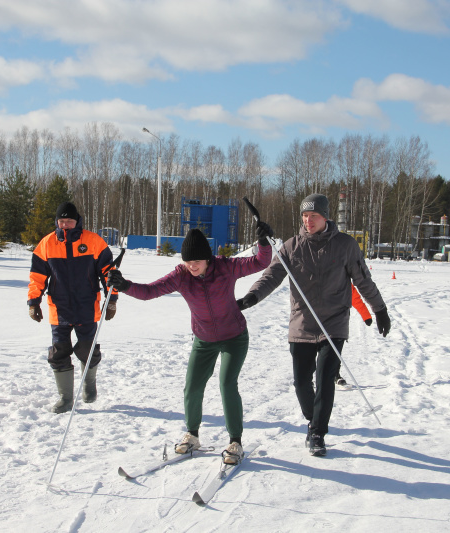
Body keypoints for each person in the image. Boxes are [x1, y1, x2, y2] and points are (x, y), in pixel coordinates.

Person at [106, 221, 273, 465]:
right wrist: (125, 286)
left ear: (208, 259)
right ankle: (193, 435)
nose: (192, 266)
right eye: (188, 261)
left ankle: (235, 440)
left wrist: (263, 243)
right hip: (203, 340)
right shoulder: (181, 275)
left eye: (197, 261)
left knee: (227, 383)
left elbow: (260, 262)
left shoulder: (226, 267)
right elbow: (150, 291)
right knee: (192, 387)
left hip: (234, 337)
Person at [237, 193, 391, 457]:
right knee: (300, 382)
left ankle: (318, 432)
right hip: (302, 323)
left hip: (334, 323)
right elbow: (271, 276)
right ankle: (314, 419)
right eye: (305, 216)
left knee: (325, 378)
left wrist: (379, 309)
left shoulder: (345, 245)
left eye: (314, 216)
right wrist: (252, 297)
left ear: (326, 217)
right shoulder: (291, 246)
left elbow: (363, 280)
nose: (308, 221)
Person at [28, 201, 118, 413]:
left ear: (77, 221)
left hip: (87, 306)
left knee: (87, 349)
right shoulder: (47, 244)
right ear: (57, 222)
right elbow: (37, 277)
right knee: (59, 352)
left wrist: (112, 298)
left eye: (70, 221)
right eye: (62, 221)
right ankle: (65, 398)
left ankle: (89, 384)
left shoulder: (94, 241)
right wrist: (33, 302)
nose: (66, 225)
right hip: (59, 308)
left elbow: (108, 272)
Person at [335, 285, 372, 387]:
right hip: (315, 319)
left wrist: (366, 315)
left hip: (338, 321)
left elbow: (354, 297)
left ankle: (335, 374)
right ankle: (308, 377)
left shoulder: (342, 275)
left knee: (335, 349)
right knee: (312, 348)